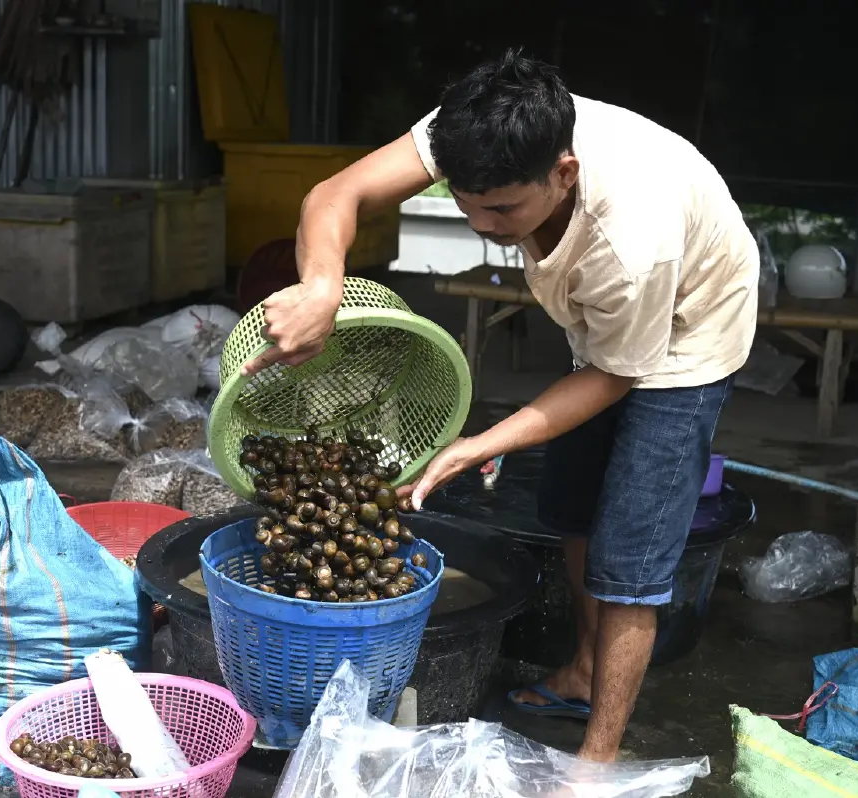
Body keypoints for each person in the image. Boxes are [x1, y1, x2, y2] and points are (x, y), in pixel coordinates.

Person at [242, 48, 759, 762]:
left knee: (631, 564)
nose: (481, 222)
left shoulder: (633, 241)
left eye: (503, 208)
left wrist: (483, 444)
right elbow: (335, 195)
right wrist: (324, 283)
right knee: (573, 508)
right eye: (463, 200)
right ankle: (582, 669)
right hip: (607, 327)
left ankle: (597, 758)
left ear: (564, 173)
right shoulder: (473, 128)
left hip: (688, 332)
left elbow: (613, 376)